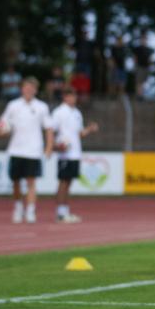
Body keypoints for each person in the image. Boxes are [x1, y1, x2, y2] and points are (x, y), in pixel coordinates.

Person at [0, 77, 54, 224]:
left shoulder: (41, 107)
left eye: (32, 88)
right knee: (16, 183)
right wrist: (0, 131)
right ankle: (18, 207)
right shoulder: (13, 106)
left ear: (36, 90)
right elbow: (0, 127)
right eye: (26, 87)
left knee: (31, 182)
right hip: (16, 150)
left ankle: (31, 210)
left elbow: (49, 129)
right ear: (22, 89)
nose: (29, 90)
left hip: (33, 151)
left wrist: (49, 147)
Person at [51, 87, 99, 223]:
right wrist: (56, 145)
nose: (73, 98)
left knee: (69, 183)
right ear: (64, 97)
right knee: (63, 182)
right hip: (65, 154)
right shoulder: (58, 112)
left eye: (74, 96)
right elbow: (51, 131)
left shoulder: (77, 113)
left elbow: (79, 133)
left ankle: (65, 211)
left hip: (75, 153)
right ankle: (60, 213)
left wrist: (89, 129)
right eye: (70, 96)